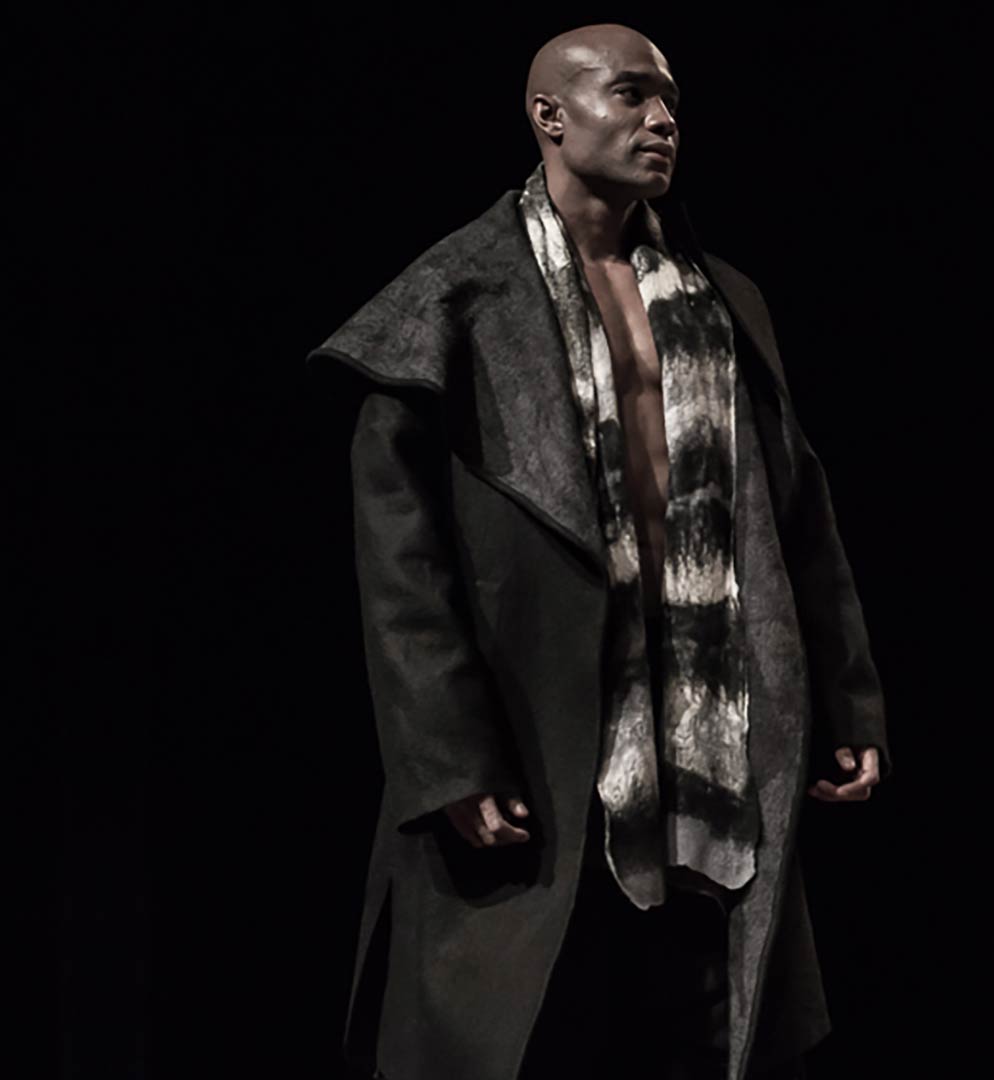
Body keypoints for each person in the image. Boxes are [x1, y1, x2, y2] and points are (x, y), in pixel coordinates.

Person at [312, 25, 886, 1080]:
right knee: (535, 1026)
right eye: (630, 95)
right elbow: (401, 560)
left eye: (670, 103)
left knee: (693, 1023)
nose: (662, 121)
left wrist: (849, 699)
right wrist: (449, 754)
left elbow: (800, 509)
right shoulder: (453, 297)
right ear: (549, 116)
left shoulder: (722, 299)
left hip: (700, 731)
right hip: (540, 727)